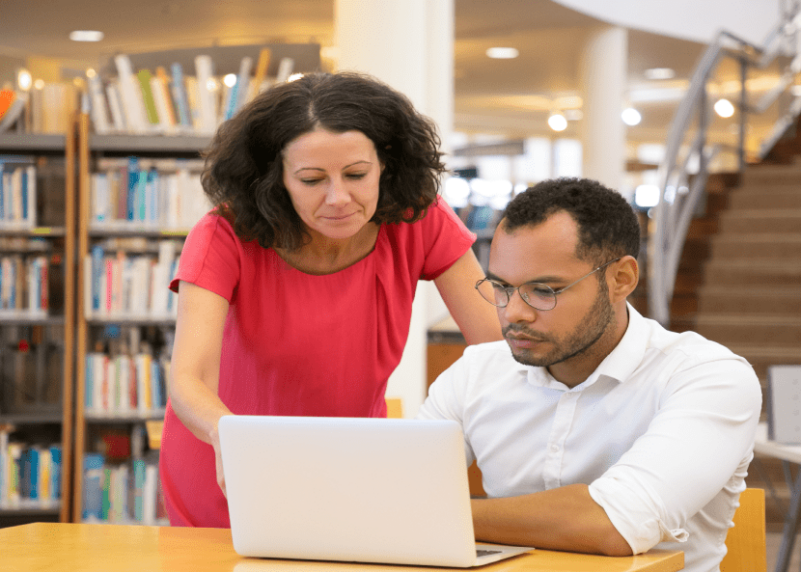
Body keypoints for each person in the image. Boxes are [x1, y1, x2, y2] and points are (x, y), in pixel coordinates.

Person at [160, 71, 502, 527]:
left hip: (350, 468)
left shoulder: (417, 218)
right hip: (232, 471)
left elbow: (497, 343)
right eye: (311, 179)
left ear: (386, 164)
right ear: (276, 180)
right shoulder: (224, 236)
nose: (338, 197)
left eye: (357, 174)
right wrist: (229, 438)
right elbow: (188, 379)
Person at [418, 177, 761, 572]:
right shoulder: (476, 372)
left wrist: (439, 516)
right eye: (501, 287)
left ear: (621, 280)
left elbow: (615, 524)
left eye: (544, 290)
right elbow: (397, 491)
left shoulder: (706, 376)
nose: (513, 313)